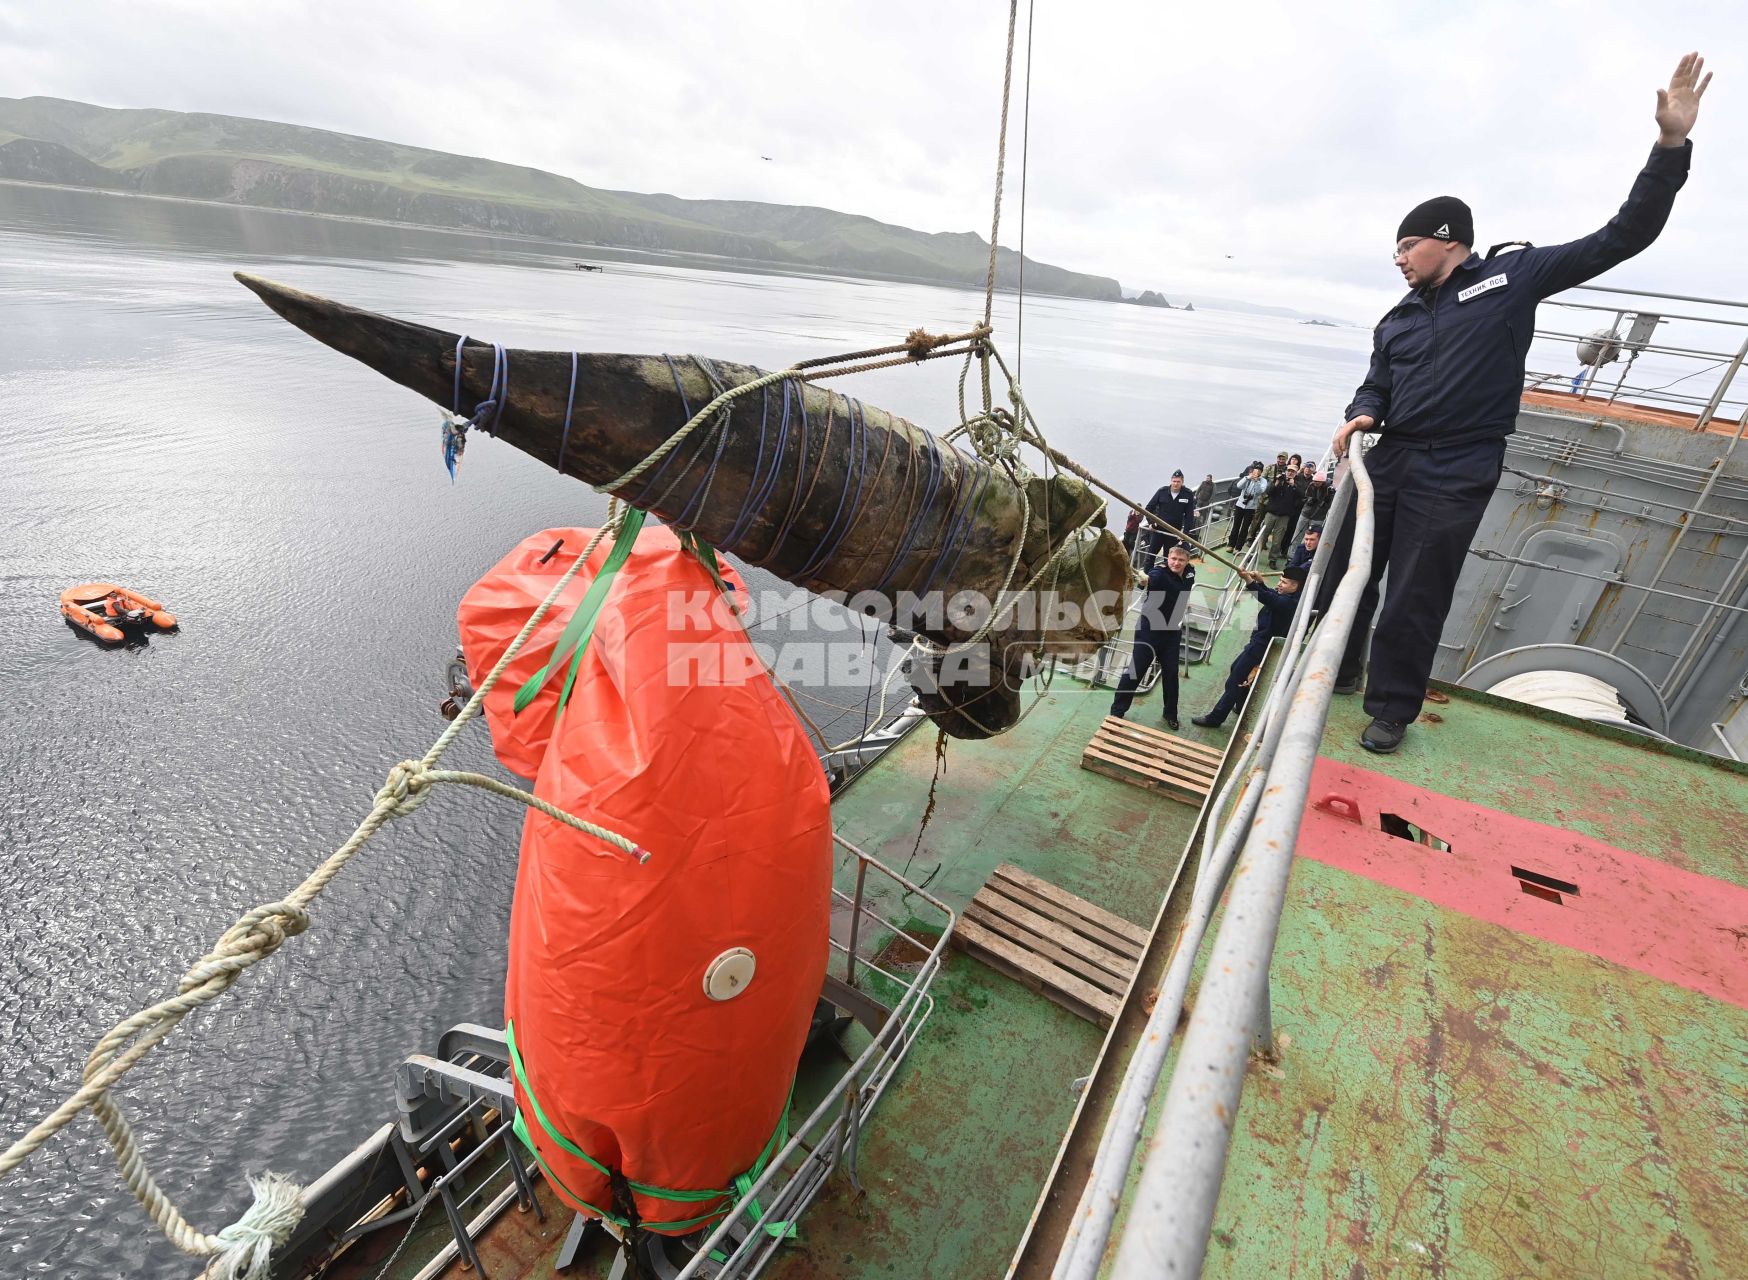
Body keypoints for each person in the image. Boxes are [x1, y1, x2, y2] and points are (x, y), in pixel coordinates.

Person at [1323, 52, 1709, 756]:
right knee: (1347, 569)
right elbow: (1376, 379)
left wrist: (1670, 148)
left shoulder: (1513, 276)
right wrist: (1363, 412)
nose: (1398, 260)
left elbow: (1624, 236)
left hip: (1459, 462)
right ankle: (1337, 671)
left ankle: (1390, 707)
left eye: (1405, 246)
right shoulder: (1398, 317)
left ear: (1445, 240)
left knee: (1415, 593)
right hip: (1394, 454)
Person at [1192, 565, 1306, 728]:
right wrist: (1260, 581)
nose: (1279, 584)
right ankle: (1241, 705)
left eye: (1284, 582)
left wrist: (1249, 580)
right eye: (1280, 580)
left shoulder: (1289, 603)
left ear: (1295, 586)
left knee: (1235, 680)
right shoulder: (1290, 598)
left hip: (1262, 645)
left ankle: (1215, 718)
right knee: (1237, 670)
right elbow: (1272, 595)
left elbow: (1267, 598)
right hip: (1260, 642)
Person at [1110, 543, 1196, 729]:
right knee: (1136, 670)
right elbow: (1151, 580)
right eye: (1173, 559)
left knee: (1171, 674)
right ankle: (1117, 712)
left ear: (1187, 561)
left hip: (1171, 632)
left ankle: (1170, 713)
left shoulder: (1190, 572)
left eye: (1181, 560)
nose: (1176, 563)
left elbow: (1187, 581)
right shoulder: (1159, 574)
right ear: (1168, 558)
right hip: (1149, 630)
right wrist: (1144, 581)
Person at [1143, 469, 1197, 559]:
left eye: (1178, 481)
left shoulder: (1187, 494)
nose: (1176, 484)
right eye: (1174, 481)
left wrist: (1185, 533)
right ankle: (1146, 573)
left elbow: (1189, 516)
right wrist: (1151, 523)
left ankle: (1165, 573)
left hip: (1174, 532)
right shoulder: (1162, 491)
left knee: (1168, 558)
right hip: (1158, 530)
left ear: (1182, 482)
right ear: (1171, 481)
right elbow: (1148, 508)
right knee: (1150, 556)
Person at [1261, 465, 1303, 567]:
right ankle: (1255, 553)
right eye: (1289, 471)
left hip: (1284, 516)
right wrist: (1276, 483)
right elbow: (1268, 492)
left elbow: (1302, 495)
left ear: (1296, 473)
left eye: (1293, 471)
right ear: (1286, 471)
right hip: (1271, 513)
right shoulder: (1278, 480)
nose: (1290, 473)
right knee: (1263, 535)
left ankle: (1272, 559)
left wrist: (1293, 486)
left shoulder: (1297, 484)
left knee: (1277, 540)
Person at [1229, 465, 1267, 549]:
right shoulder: (1247, 477)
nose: (1256, 473)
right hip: (1240, 505)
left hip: (1251, 508)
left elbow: (1259, 491)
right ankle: (1231, 545)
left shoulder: (1263, 481)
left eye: (1258, 472)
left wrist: (1256, 481)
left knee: (1245, 528)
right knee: (1236, 526)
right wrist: (1247, 478)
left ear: (1261, 473)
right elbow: (1239, 486)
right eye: (1255, 471)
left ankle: (1238, 547)